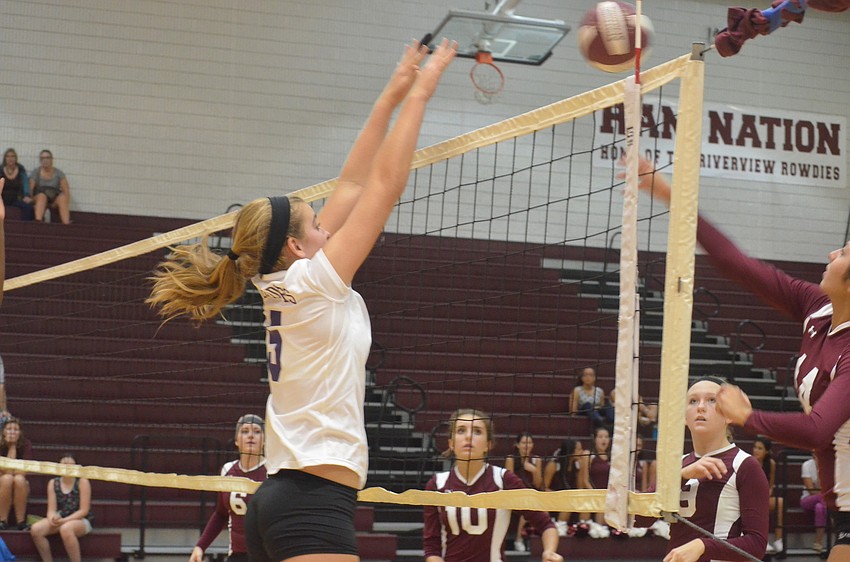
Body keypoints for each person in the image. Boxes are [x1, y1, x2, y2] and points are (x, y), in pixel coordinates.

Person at [147, 39, 456, 562]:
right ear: (295, 246)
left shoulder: (282, 283)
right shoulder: (315, 282)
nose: (326, 224)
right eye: (317, 222)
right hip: (310, 502)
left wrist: (391, 93)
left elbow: (355, 181)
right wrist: (424, 92)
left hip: (282, 497)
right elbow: (382, 183)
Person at [632, 157, 850, 562]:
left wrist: (748, 416)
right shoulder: (817, 306)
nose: (832, 250)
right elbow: (737, 264)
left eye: (845, 252)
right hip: (840, 507)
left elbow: (818, 431)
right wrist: (668, 196)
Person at [642, 377, 769, 562]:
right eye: (693, 401)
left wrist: (702, 546)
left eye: (712, 400)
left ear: (729, 415)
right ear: (684, 417)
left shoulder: (745, 465)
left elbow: (756, 546)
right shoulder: (677, 465)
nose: (700, 407)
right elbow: (640, 519)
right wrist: (681, 476)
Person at [422, 409, 563, 562]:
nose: (468, 436)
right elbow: (432, 546)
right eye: (461, 430)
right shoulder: (437, 484)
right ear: (451, 443)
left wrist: (549, 552)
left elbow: (546, 524)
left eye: (477, 431)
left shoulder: (503, 480)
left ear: (488, 444)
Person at [190, 415, 267, 562]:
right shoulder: (227, 470)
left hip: (267, 555)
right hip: (237, 555)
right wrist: (200, 546)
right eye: (245, 431)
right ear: (237, 440)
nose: (251, 435)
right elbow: (221, 514)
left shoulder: (273, 472)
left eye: (257, 431)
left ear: (264, 441)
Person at [29, 454, 92, 562]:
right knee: (36, 529)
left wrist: (64, 520)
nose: (67, 467)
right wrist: (52, 518)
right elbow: (51, 509)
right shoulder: (53, 483)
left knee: (66, 529)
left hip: (81, 519)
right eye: (64, 464)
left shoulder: (82, 482)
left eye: (71, 464)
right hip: (62, 517)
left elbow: (84, 510)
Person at [504, 432, 543, 551]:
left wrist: (534, 471)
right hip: (514, 494)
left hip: (531, 495)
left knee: (532, 506)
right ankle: (519, 539)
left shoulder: (536, 460)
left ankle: (530, 541)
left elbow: (538, 484)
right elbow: (508, 483)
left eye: (530, 442)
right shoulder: (511, 459)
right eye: (524, 442)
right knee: (527, 505)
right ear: (517, 445)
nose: (527, 445)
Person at [543, 438, 585, 536]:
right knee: (567, 503)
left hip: (570, 497)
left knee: (585, 501)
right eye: (579, 449)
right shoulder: (554, 465)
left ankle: (583, 528)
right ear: (571, 451)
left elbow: (580, 487)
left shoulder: (577, 464)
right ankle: (560, 528)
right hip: (554, 496)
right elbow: (543, 488)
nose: (582, 452)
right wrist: (558, 496)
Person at [751, 437, 784, 554]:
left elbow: (771, 485)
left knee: (780, 502)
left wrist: (767, 493)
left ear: (766, 451)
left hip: (763, 496)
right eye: (755, 447)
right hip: (749, 498)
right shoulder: (748, 462)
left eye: (760, 448)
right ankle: (763, 541)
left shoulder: (771, 463)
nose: (756, 450)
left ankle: (778, 539)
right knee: (760, 504)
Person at [579, 426, 612, 538]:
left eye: (606, 437)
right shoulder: (588, 455)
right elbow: (584, 480)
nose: (604, 440)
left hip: (609, 495)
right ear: (595, 439)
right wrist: (595, 494)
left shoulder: (612, 456)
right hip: (592, 493)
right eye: (601, 437)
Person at [0, 417, 32, 529]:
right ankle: (2, 521)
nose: (12, 432)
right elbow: (6, 472)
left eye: (16, 429)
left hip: (18, 481)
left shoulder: (26, 444)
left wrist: (13, 446)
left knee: (19, 479)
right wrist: (11, 447)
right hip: (2, 481)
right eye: (9, 429)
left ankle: (21, 522)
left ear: (20, 433)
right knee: (7, 479)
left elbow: (22, 472)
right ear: (3, 432)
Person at [29, 149, 71, 224]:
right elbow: (30, 189)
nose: (45, 160)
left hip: (54, 199)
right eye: (43, 158)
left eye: (47, 158)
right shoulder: (36, 172)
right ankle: (38, 221)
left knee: (63, 198)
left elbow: (66, 191)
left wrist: (65, 202)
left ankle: (66, 224)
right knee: (42, 196)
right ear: (40, 160)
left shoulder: (59, 173)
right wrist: (31, 200)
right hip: (40, 198)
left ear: (52, 159)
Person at [800, 455, 827, 554]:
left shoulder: (828, 466)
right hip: (807, 499)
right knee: (823, 499)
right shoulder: (806, 465)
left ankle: (818, 542)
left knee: (820, 507)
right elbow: (811, 490)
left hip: (823, 501)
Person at [1, 149, 33, 220]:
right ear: (5, 158)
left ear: (16, 158)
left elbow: (25, 184)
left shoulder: (21, 170)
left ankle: (25, 228)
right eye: (8, 156)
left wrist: (27, 195)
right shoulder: (0, 170)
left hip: (16, 198)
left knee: (28, 207)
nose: (10, 158)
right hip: (2, 198)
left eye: (12, 156)